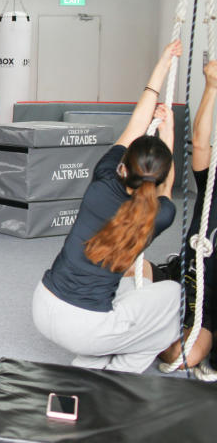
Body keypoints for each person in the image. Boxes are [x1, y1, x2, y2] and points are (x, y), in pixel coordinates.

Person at [32, 40, 183, 373]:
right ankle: (115, 374)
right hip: (86, 329)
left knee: (130, 284)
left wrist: (161, 66)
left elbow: (134, 126)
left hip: (43, 305)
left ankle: (90, 360)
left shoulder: (102, 181)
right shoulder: (159, 214)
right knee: (172, 295)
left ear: (123, 168)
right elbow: (167, 186)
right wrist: (169, 132)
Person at [158, 60, 217, 371]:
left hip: (212, 304)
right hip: (192, 279)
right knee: (127, 267)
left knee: (186, 358)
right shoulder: (212, 184)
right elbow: (200, 142)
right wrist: (212, 88)